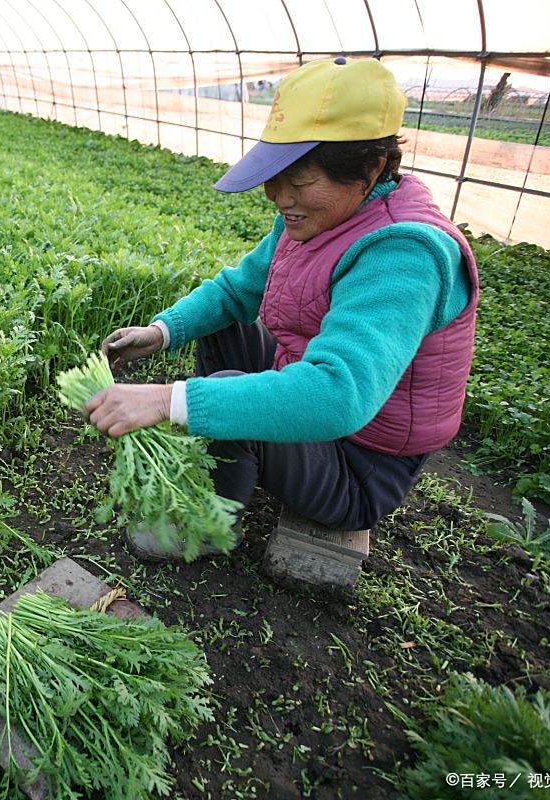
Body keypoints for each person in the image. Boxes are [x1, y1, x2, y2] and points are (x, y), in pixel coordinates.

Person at [88, 58, 479, 590]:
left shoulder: (405, 253)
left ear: (369, 169)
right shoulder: (319, 215)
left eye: (299, 181)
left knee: (219, 394)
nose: (279, 198)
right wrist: (164, 331)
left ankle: (207, 521)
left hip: (362, 465)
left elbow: (338, 394)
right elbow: (236, 291)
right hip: (327, 426)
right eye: (275, 180)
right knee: (225, 329)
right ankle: (230, 475)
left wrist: (169, 399)